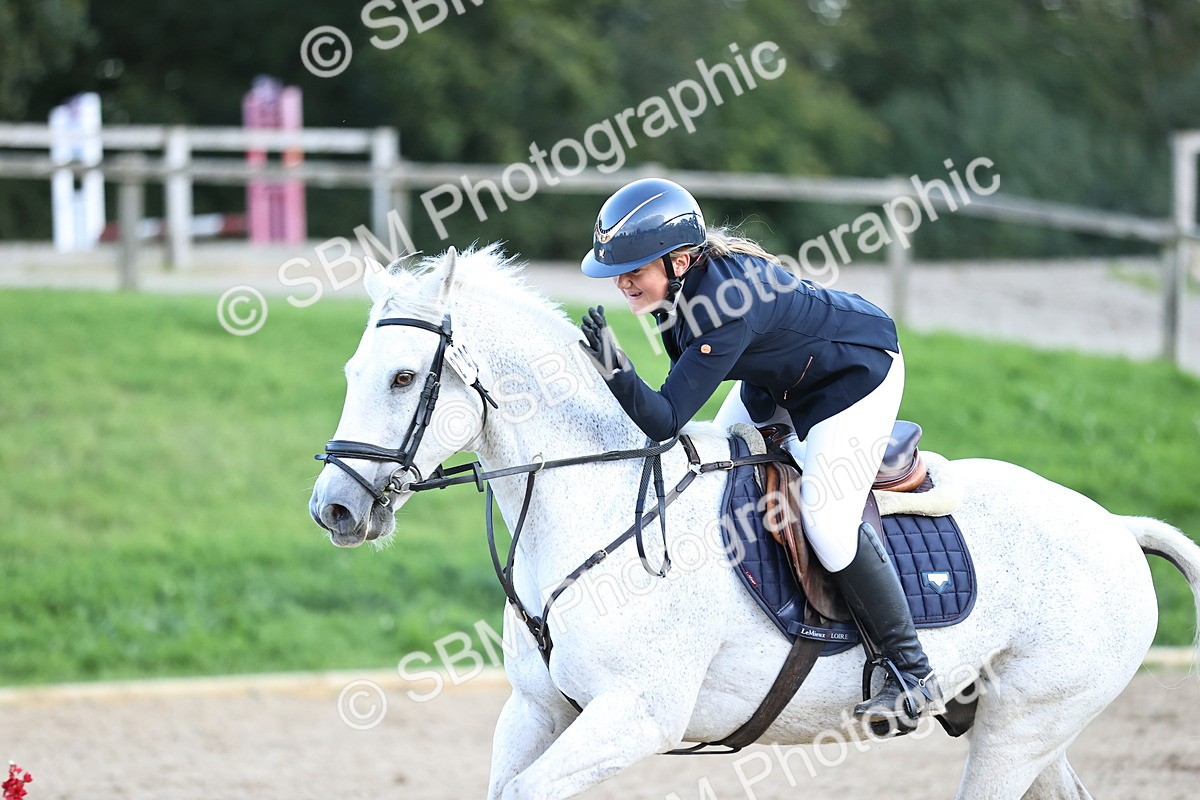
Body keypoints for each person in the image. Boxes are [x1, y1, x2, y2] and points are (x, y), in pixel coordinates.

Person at [577, 177, 942, 733]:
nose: (623, 283)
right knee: (707, 463)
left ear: (680, 260)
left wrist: (613, 366)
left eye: (635, 269)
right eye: (616, 272)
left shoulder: (720, 308)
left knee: (825, 518)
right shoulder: (680, 292)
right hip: (777, 380)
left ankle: (913, 674)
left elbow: (663, 421)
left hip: (853, 378)